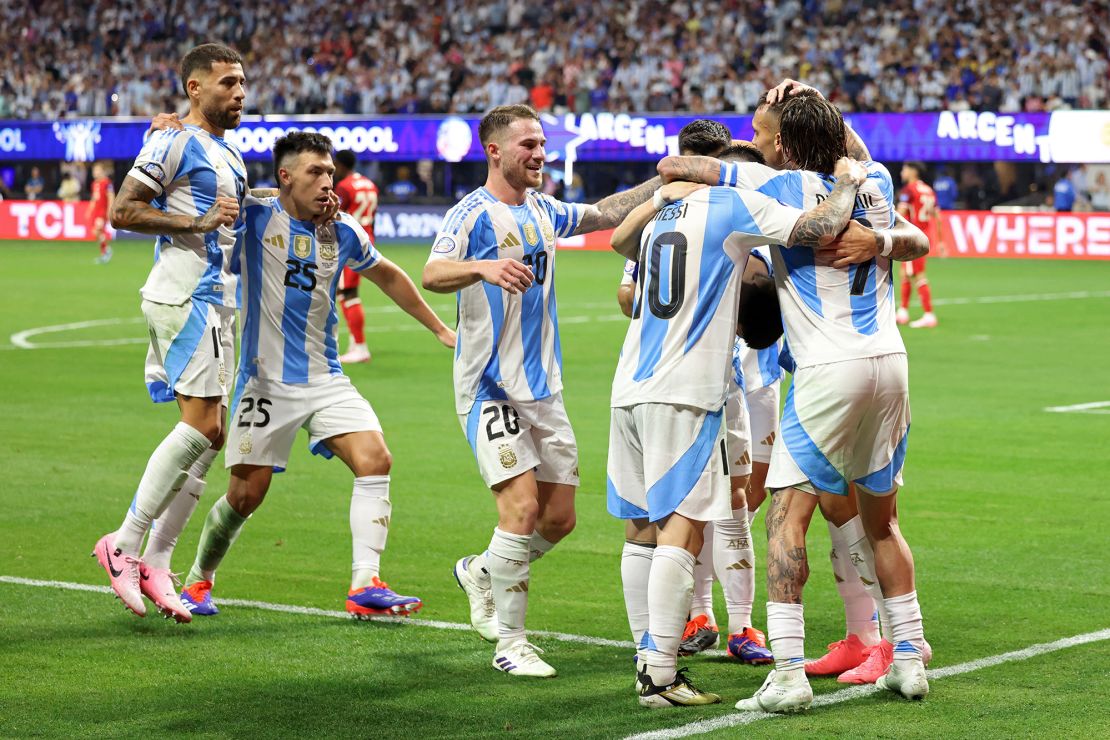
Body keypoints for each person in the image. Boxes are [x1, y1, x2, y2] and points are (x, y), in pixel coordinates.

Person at [662, 89, 932, 710]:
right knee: (882, 518)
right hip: (890, 364)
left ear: (782, 144)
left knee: (786, 519)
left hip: (827, 369)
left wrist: (714, 169)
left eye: (760, 134)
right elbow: (853, 153)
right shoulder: (876, 181)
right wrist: (811, 99)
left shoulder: (773, 186)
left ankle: (786, 674)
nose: (753, 143)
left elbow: (680, 167)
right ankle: (910, 659)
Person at [609, 143, 872, 707]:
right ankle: (659, 675)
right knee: (684, 529)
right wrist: (849, 181)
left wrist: (662, 194)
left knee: (640, 529)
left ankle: (644, 653)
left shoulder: (664, 209)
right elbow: (822, 226)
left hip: (628, 383)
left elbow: (615, 242)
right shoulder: (732, 204)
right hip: (686, 389)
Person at [422, 104, 669, 678]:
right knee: (522, 507)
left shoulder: (543, 209)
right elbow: (434, 274)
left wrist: (672, 177)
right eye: (528, 145)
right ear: (495, 151)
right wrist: (482, 269)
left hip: (544, 387)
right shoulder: (472, 213)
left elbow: (606, 211)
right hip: (489, 386)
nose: (539, 154)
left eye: (541, 145)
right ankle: (511, 642)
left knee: (558, 519)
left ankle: (482, 570)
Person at [177, 132, 455, 619]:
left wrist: (438, 328)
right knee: (246, 494)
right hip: (264, 381)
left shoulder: (343, 229)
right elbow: (224, 195)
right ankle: (199, 579)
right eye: (315, 173)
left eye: (330, 172)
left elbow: (387, 274)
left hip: (326, 376)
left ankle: (364, 584)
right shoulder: (258, 217)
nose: (328, 182)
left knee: (376, 458)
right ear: (285, 177)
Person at [92, 43, 250, 623]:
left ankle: (158, 560)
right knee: (202, 425)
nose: (238, 93)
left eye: (242, 83)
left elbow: (235, 220)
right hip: (185, 297)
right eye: (227, 83)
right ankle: (125, 543)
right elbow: (123, 210)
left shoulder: (228, 155)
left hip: (219, 303)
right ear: (194, 89)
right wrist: (195, 221)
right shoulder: (174, 140)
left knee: (213, 437)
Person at [617, 119, 773, 666]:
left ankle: (737, 626)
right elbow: (627, 288)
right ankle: (685, 633)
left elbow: (620, 252)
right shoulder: (731, 212)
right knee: (696, 510)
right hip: (702, 378)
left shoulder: (674, 210)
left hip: (735, 372)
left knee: (727, 501)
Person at [332, 149, 380, 364]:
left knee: (348, 293)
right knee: (347, 291)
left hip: (349, 242)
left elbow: (334, 214)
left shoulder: (344, 186)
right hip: (367, 238)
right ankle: (355, 342)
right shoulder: (370, 184)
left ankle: (360, 347)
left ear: (341, 165)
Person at [897, 161, 944, 328]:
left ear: (912, 171)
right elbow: (938, 217)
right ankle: (902, 311)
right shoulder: (929, 190)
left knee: (918, 275)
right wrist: (941, 241)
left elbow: (900, 214)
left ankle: (928, 314)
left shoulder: (909, 190)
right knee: (905, 272)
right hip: (924, 236)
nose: (902, 172)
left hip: (911, 236)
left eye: (904, 169)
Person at [87, 162, 115, 264]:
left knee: (97, 230)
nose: (95, 173)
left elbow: (111, 196)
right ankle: (105, 252)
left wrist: (109, 209)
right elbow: (94, 198)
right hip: (96, 211)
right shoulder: (94, 184)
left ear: (102, 171)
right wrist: (90, 210)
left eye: (97, 170)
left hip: (102, 211)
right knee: (96, 232)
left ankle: (106, 252)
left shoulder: (107, 183)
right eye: (94, 171)